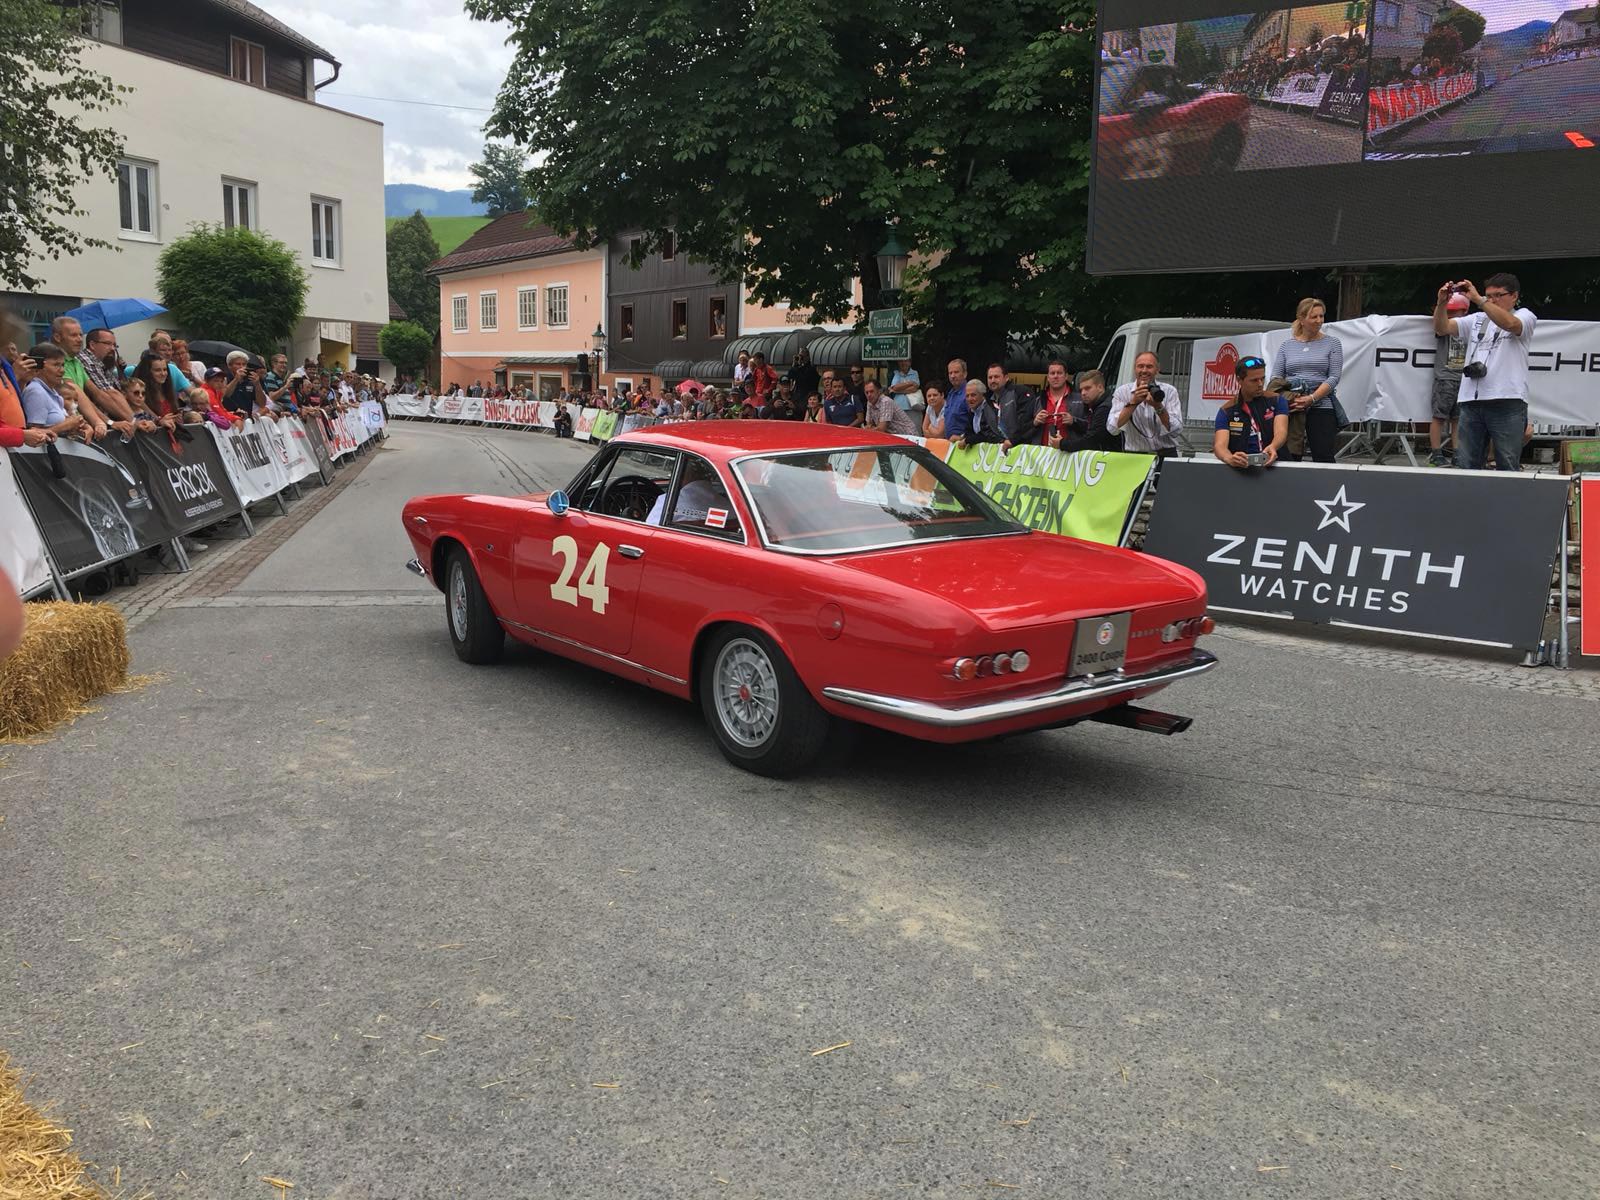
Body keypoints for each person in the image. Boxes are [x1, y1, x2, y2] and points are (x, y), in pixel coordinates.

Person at [1434, 274, 1537, 472]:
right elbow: (1442, 327)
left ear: (1514, 296)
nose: (1492, 300)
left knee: (1507, 463)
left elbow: (1511, 325)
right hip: (1471, 400)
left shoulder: (1525, 315)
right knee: (1467, 464)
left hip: (1507, 400)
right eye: (1489, 296)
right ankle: (1469, 503)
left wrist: (1479, 300)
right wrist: (1441, 304)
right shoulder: (1477, 319)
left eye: (1498, 295)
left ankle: (1506, 503)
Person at [1271, 298, 1343, 463]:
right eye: (1314, 317)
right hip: (1293, 406)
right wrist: (1292, 397)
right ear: (1301, 319)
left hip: (1321, 405)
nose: (1319, 321)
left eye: (1322, 316)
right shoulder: (1286, 346)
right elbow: (1276, 377)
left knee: (1323, 455)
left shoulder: (1333, 343)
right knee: (1289, 454)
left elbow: (1334, 377)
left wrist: (1312, 398)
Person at [1213, 356, 1287, 469]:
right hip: (1242, 470)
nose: (1260, 384)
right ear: (1239, 380)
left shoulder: (1276, 400)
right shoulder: (1227, 410)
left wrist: (1273, 446)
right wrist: (1229, 458)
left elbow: (1281, 432)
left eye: (1262, 378)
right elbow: (1220, 446)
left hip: (1275, 466)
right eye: (1254, 380)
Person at [1108, 351, 1182, 456]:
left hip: (1165, 454)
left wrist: (1158, 406)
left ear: (1157, 369)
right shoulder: (1122, 392)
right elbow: (1112, 428)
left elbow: (1176, 430)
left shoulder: (1169, 391)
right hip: (1135, 456)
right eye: (1140, 366)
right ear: (1135, 369)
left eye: (1149, 366)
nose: (1144, 370)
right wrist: (1133, 403)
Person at [1428, 291, 1470, 466]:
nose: (1452, 316)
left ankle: (1458, 452)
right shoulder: (1443, 327)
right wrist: (1442, 305)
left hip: (1464, 378)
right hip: (1445, 377)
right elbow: (1438, 324)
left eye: (1456, 312)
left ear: (1464, 312)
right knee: (1439, 416)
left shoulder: (1469, 327)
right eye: (1449, 312)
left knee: (1458, 419)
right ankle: (1436, 452)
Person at [20, 344, 88, 438]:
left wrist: (78, 426)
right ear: (39, 366)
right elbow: (33, 434)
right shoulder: (36, 392)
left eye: (63, 365)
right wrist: (66, 425)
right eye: (56, 365)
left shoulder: (51, 392)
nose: (62, 370)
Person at [1063, 369, 1119, 454]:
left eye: (1087, 388)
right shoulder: (1096, 406)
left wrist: (1062, 444)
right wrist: (1074, 422)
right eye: (1081, 390)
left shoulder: (1104, 408)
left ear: (1100, 387)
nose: (1083, 393)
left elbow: (1091, 441)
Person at [952, 379, 1004, 446]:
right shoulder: (972, 412)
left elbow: (988, 435)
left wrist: (967, 440)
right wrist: (962, 438)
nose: (970, 399)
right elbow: (969, 433)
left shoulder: (991, 409)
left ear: (982, 395)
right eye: (967, 396)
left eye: (973, 395)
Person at [944, 359, 973, 442]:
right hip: (951, 445)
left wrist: (964, 438)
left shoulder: (970, 393)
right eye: (950, 373)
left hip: (965, 445)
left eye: (956, 372)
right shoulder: (951, 394)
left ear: (965, 374)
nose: (953, 376)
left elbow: (976, 421)